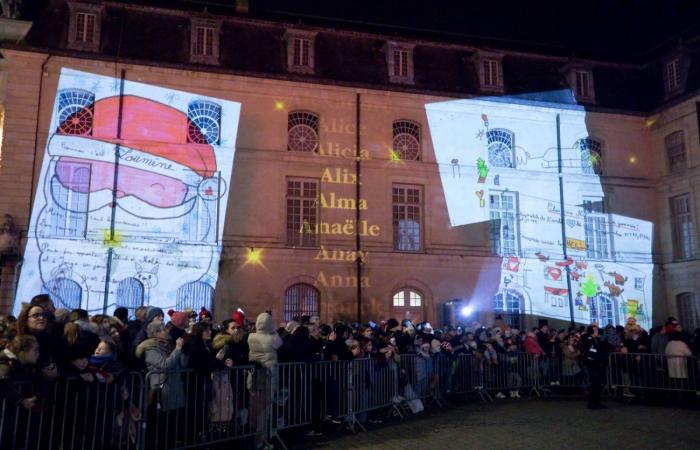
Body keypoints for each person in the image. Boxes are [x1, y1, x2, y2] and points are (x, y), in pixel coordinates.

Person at [581, 324, 610, 409]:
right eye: (596, 330)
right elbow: (590, 350)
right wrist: (597, 351)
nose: (597, 331)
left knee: (598, 384)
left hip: (599, 363)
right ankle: (592, 402)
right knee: (595, 383)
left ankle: (597, 402)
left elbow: (604, 347)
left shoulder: (598, 339)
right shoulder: (588, 339)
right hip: (592, 364)